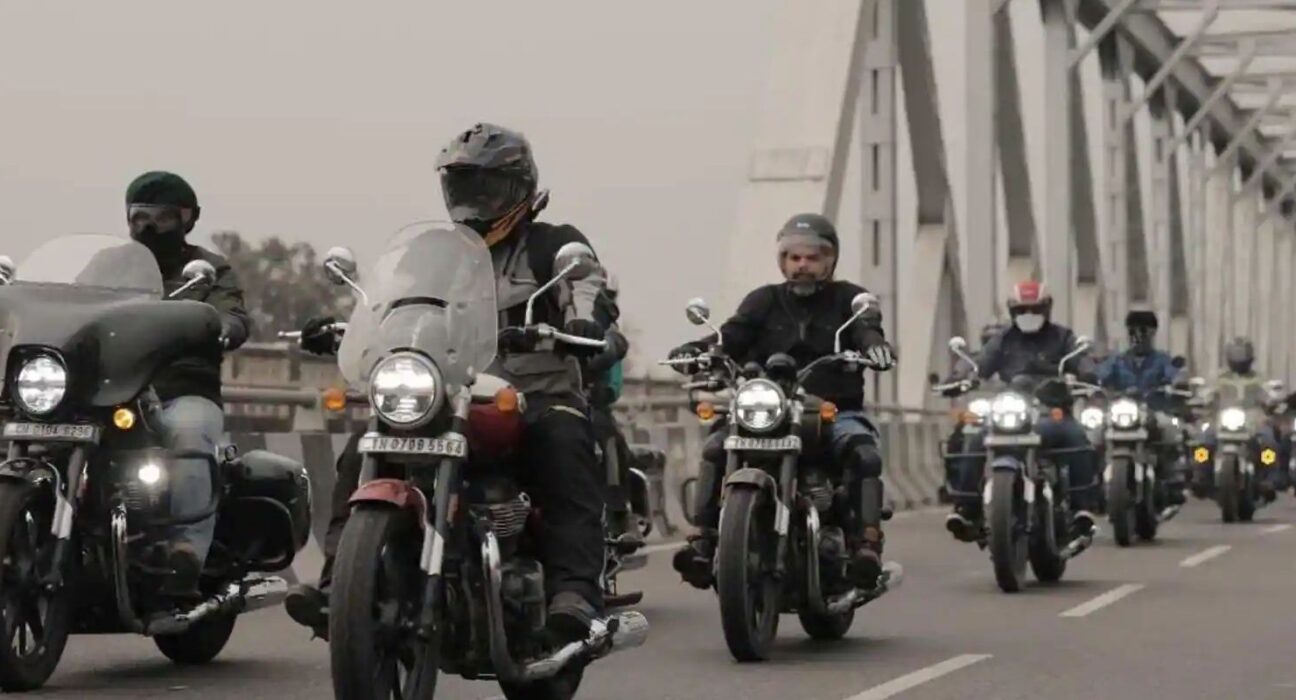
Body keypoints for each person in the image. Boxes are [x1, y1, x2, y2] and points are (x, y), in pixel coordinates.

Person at [284, 123, 611, 647]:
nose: (476, 200)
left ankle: (575, 593)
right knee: (361, 451)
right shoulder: (433, 251)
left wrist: (584, 323)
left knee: (565, 444)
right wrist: (346, 322)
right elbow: (388, 301)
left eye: (490, 187)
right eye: (465, 186)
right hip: (448, 386)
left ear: (521, 189)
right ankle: (336, 587)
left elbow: (587, 284)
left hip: (535, 390)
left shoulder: (555, 243)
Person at [667, 212, 896, 592]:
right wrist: (700, 351)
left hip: (832, 409)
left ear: (829, 261)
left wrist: (875, 347)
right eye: (794, 257)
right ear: (783, 261)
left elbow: (866, 329)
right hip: (768, 408)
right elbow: (731, 336)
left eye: (812, 257)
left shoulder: (848, 299)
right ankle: (703, 540)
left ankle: (866, 546)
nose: (802, 265)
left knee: (863, 452)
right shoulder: (763, 300)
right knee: (714, 446)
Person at [125, 171, 252, 600]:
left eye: (162, 217)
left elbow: (232, 313)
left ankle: (185, 554)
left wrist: (224, 326)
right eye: (139, 216)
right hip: (112, 391)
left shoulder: (208, 269)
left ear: (188, 219)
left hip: (181, 390)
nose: (148, 227)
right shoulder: (110, 267)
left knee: (188, 436)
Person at [941, 280, 1098, 543]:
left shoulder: (1062, 337)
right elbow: (980, 363)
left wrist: (1088, 375)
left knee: (1076, 437)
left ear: (1046, 309)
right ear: (1012, 311)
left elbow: (1081, 360)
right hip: (1014, 406)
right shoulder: (1003, 340)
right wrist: (958, 377)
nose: (1028, 315)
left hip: (1051, 409)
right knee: (974, 438)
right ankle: (966, 507)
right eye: (1022, 310)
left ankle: (1081, 508)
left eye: (1035, 309)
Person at [1096, 310, 1188, 504]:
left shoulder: (1162, 359)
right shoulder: (1118, 360)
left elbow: (1175, 374)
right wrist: (1093, 381)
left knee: (1170, 430)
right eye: (1133, 332)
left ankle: (1172, 479)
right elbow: (1100, 375)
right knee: (1093, 433)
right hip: (1120, 413)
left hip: (1153, 411)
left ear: (1152, 334)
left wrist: (1177, 382)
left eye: (1143, 331)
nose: (1138, 336)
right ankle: (1092, 481)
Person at [585, 273, 641, 547]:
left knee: (605, 435)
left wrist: (606, 349)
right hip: (520, 387)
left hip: (582, 395)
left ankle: (619, 512)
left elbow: (613, 346)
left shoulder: (599, 314)